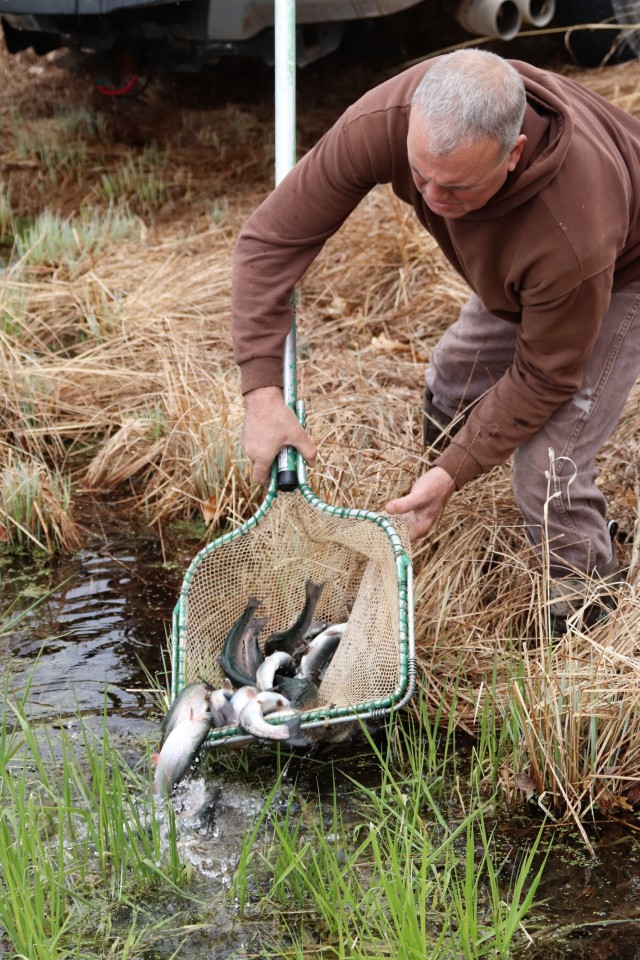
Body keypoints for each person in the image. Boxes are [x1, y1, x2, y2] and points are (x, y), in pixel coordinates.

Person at [232, 48, 640, 622]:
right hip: (524, 270)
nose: (431, 200)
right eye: (419, 176)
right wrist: (262, 395)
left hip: (623, 269)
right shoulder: (394, 117)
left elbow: (546, 374)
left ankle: (585, 613)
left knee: (549, 471)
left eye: (455, 190)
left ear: (513, 156)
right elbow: (270, 241)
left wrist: (455, 469)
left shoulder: (572, 235)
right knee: (453, 381)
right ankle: (439, 510)